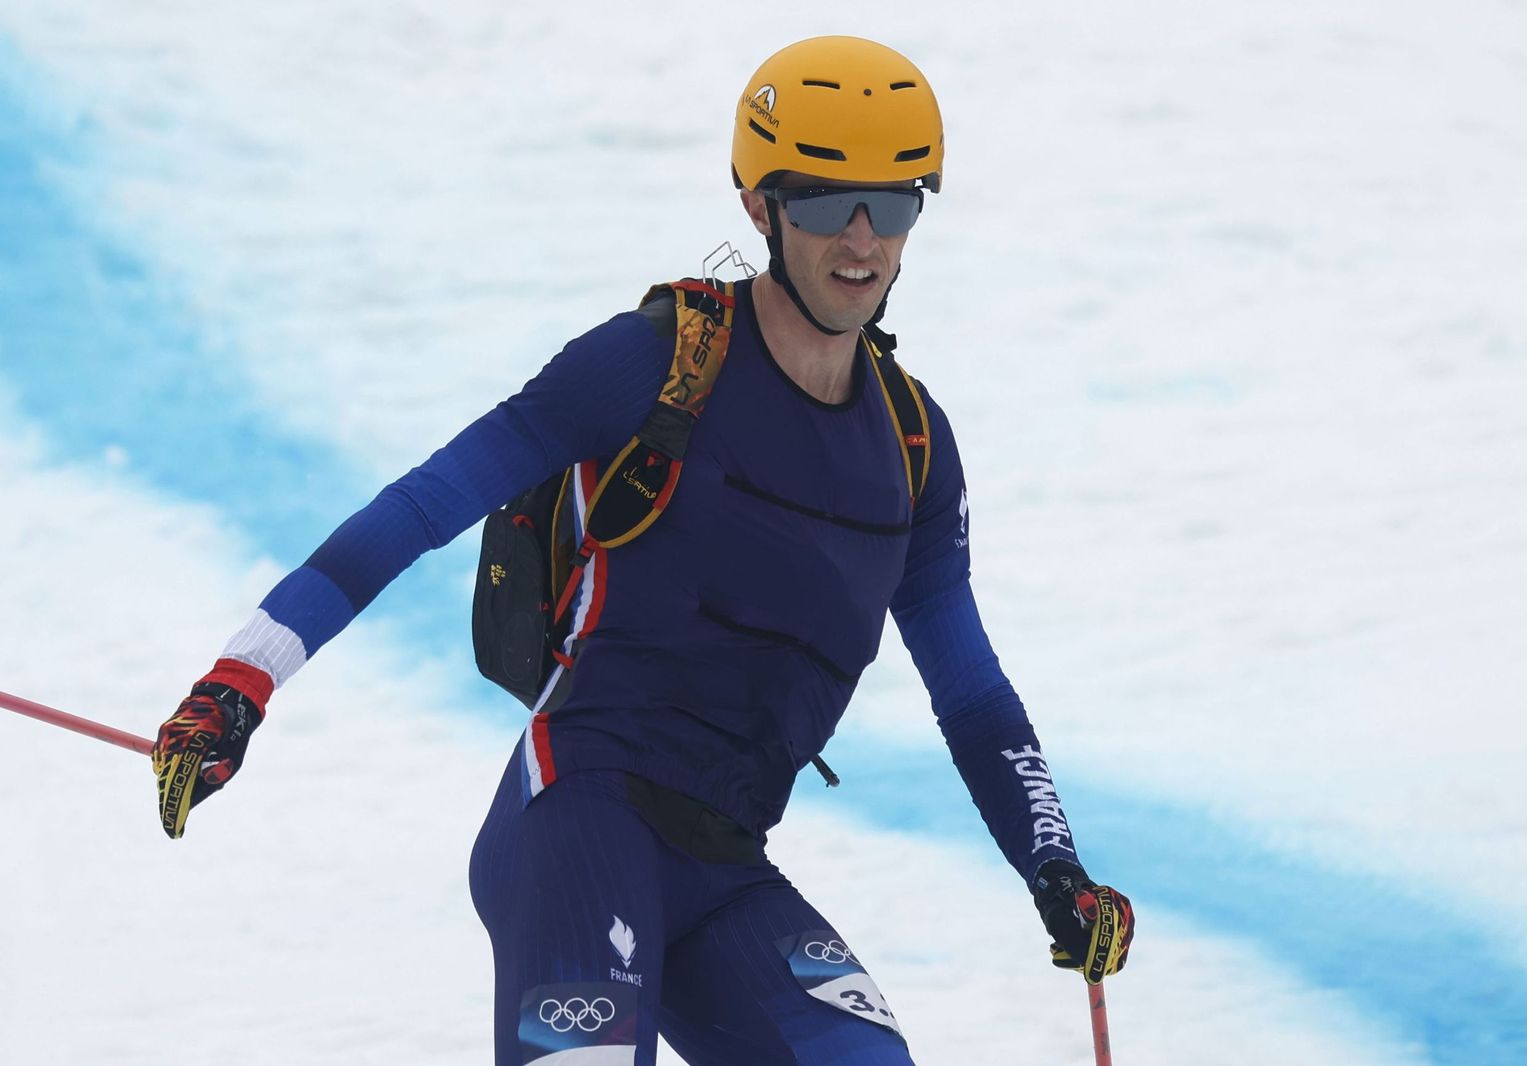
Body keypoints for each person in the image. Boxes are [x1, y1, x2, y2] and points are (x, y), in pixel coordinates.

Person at [151, 35, 1134, 1066]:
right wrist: (239, 681)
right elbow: (423, 505)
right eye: (821, 203)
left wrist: (1053, 868)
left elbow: (972, 694)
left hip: (723, 862)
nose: (861, 240)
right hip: (577, 820)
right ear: (759, 208)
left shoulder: (913, 445)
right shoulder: (656, 363)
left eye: (892, 206)